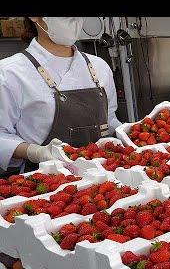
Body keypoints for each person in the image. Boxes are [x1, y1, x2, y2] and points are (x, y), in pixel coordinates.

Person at [0, 17, 120, 176]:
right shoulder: (9, 73)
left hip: (104, 177)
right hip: (45, 185)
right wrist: (35, 152)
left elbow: (109, 119)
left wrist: (128, 133)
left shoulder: (99, 66)